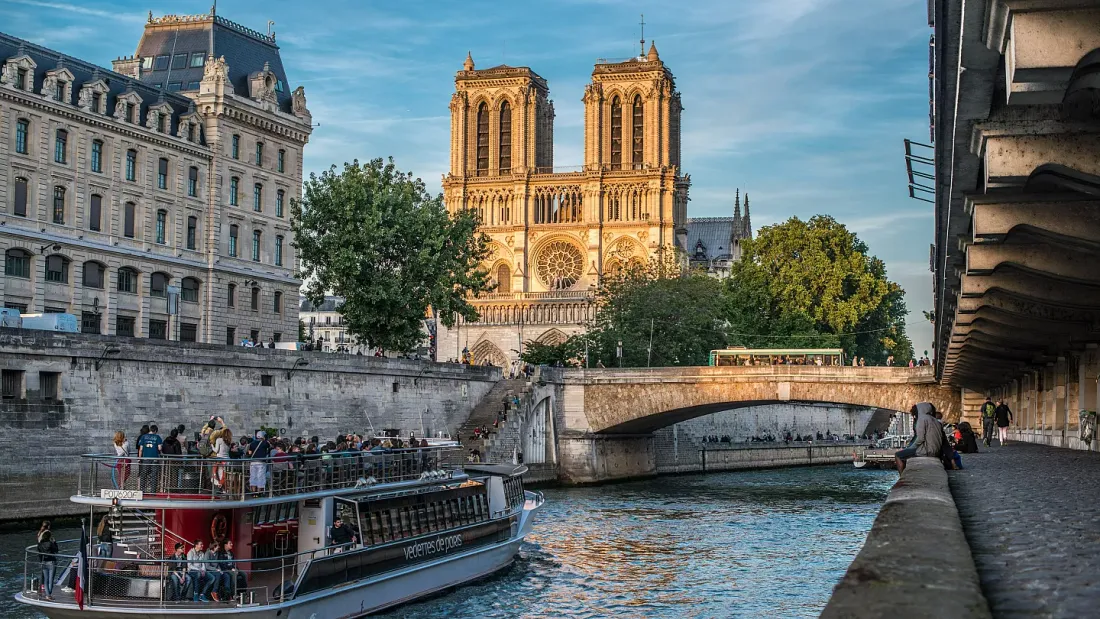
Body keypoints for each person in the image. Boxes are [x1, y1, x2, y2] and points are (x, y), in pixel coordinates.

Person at [895, 402, 943, 474]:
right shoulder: (935, 420)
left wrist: (910, 448)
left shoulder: (922, 419)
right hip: (936, 451)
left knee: (898, 455)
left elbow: (920, 438)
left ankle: (902, 476)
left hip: (926, 451)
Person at [137, 424, 163, 493]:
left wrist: (139, 458)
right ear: (155, 431)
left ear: (150, 430)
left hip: (145, 459)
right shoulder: (157, 437)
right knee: (154, 476)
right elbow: (159, 448)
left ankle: (142, 491)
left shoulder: (143, 437)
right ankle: (152, 491)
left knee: (143, 475)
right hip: (155, 459)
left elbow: (140, 449)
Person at [36, 529, 58, 600]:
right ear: (49, 537)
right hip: (51, 561)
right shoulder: (50, 543)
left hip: (43, 562)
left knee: (46, 579)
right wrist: (54, 542)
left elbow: (39, 554)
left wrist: (40, 562)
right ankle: (49, 595)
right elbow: (56, 550)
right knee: (51, 579)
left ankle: (48, 595)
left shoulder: (40, 544)